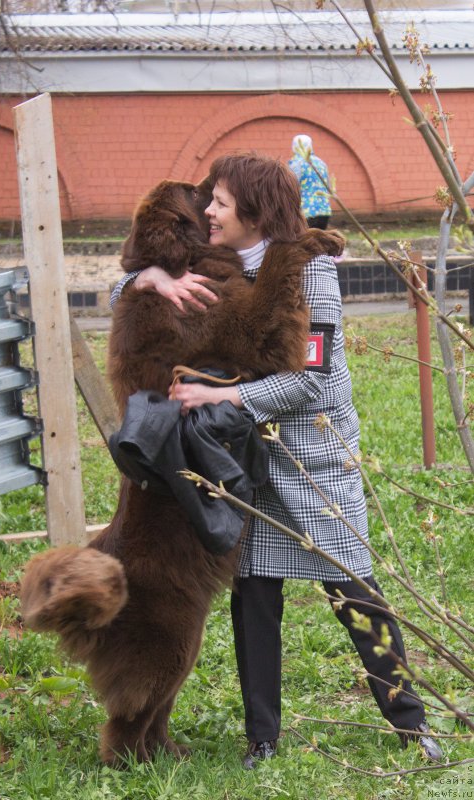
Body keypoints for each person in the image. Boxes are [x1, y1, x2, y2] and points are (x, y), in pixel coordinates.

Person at [110, 153, 442, 768]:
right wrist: (146, 280)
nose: (209, 211)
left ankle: (411, 722)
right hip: (246, 464)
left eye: (221, 202)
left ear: (256, 214)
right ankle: (262, 738)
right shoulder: (216, 262)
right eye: (210, 200)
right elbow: (126, 285)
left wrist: (225, 396)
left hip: (312, 455)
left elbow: (311, 382)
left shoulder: (311, 271)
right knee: (255, 598)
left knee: (353, 589)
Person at [288, 134, 332, 230]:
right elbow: (328, 187)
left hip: (305, 212)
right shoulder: (321, 164)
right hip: (324, 211)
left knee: (304, 238)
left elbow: (290, 186)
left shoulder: (296, 164)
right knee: (319, 238)